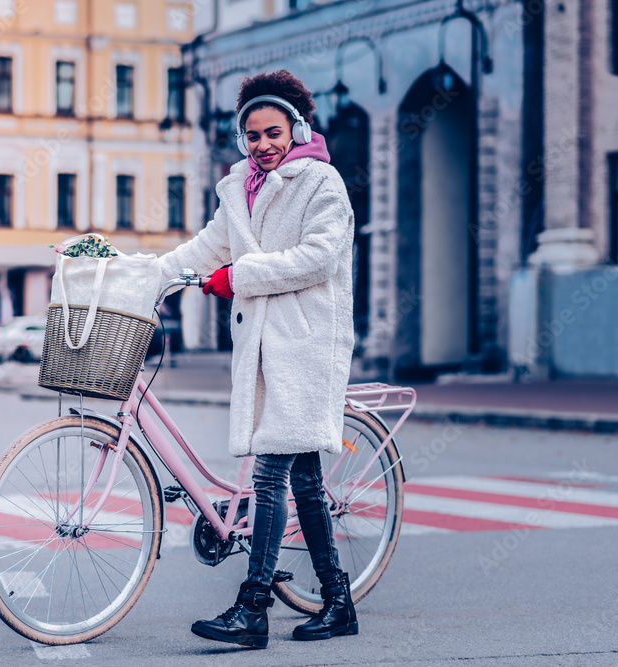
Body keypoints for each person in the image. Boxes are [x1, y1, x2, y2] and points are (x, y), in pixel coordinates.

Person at [157, 70, 357, 649]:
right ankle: (337, 601)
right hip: (264, 346)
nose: (263, 144)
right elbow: (207, 246)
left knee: (270, 474)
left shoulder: (322, 182)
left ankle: (253, 609)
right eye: (252, 135)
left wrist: (238, 276)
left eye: (274, 132)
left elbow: (319, 258)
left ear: (297, 128)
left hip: (306, 344)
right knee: (306, 483)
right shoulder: (237, 187)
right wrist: (147, 271)